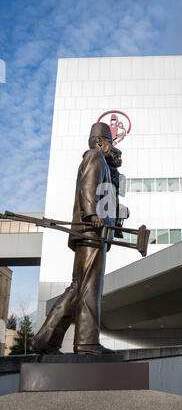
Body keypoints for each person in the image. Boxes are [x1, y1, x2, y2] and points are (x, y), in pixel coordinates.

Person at [31, 122, 119, 355]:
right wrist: (92, 214)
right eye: (110, 142)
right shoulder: (94, 157)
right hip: (91, 231)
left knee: (78, 287)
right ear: (101, 142)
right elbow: (87, 187)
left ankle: (45, 341)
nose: (111, 147)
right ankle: (87, 343)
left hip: (90, 232)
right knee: (90, 287)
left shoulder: (103, 161)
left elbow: (108, 193)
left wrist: (115, 164)